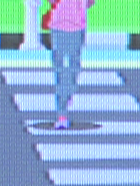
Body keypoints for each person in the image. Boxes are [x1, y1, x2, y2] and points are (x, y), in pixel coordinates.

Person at [48, 0, 94, 130]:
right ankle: (62, 114)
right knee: (61, 71)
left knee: (73, 69)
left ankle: (66, 95)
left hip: (76, 27)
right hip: (59, 26)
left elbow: (90, 2)